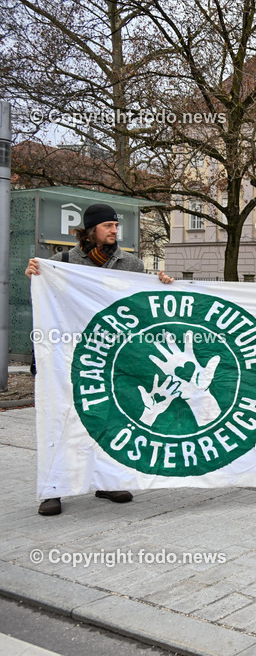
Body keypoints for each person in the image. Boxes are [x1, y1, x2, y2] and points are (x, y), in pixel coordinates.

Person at [26, 203, 175, 516]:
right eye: (107, 226)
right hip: (69, 355)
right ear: (91, 230)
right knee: (63, 419)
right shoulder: (63, 262)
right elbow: (47, 297)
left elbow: (143, 302)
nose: (114, 231)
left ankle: (107, 481)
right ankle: (54, 488)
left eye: (116, 226)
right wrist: (35, 275)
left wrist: (160, 284)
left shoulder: (130, 264)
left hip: (111, 357)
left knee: (110, 418)